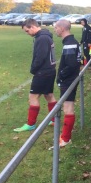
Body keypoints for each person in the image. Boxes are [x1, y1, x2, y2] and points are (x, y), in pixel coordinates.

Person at [14, 19, 57, 132]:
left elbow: (40, 57)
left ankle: (31, 124)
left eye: (27, 31)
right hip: (49, 71)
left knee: (33, 97)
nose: (27, 33)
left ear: (33, 27)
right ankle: (54, 119)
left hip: (43, 72)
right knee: (49, 95)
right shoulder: (45, 36)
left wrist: (33, 69)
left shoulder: (42, 38)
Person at [51, 19, 82, 147]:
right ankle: (65, 136)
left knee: (68, 108)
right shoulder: (71, 42)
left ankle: (66, 138)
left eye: (56, 28)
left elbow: (71, 65)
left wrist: (61, 77)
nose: (55, 30)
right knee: (67, 107)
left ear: (62, 28)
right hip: (70, 79)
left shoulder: (70, 43)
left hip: (68, 80)